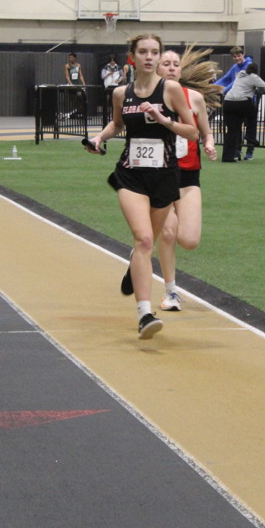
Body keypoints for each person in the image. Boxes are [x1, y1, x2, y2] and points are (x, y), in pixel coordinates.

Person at [83, 33, 197, 339]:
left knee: (146, 245)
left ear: (159, 56)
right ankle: (145, 314)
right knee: (144, 240)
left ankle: (136, 265)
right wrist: (99, 137)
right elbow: (118, 124)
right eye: (143, 52)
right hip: (131, 174)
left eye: (154, 52)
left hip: (164, 175)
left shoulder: (170, 89)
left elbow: (192, 132)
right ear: (132, 57)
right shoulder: (121, 93)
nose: (149, 57)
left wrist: (164, 119)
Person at [154, 46, 221, 312]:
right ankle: (170, 292)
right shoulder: (147, 98)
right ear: (156, 68)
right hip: (158, 176)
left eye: (176, 64)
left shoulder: (194, 98)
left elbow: (206, 132)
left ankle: (143, 245)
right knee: (168, 232)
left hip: (188, 177)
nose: (172, 67)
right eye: (166, 63)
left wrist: (209, 144)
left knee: (189, 240)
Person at [221, 63, 265, 162]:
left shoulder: (240, 75)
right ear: (256, 71)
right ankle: (250, 136)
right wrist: (257, 91)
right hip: (241, 102)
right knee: (253, 114)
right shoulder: (254, 77)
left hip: (227, 102)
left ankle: (228, 157)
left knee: (232, 131)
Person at [64, 52, 86, 118]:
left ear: (75, 58)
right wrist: (71, 84)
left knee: (80, 97)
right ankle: (71, 113)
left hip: (77, 84)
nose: (70, 59)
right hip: (71, 84)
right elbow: (67, 76)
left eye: (71, 57)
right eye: (69, 58)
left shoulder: (78, 65)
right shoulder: (67, 66)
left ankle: (79, 112)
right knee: (71, 99)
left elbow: (80, 75)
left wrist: (83, 83)